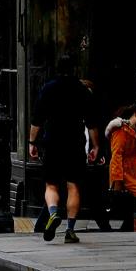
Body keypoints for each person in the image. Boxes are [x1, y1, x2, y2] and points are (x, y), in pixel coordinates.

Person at [32, 53, 93, 243]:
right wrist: (96, 145)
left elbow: (37, 119)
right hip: (74, 140)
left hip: (52, 140)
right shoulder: (81, 90)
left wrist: (32, 142)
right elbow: (92, 122)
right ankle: (70, 230)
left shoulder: (48, 88)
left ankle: (52, 214)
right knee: (73, 185)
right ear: (74, 69)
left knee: (51, 184)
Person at [105, 102, 136, 232]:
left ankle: (126, 226)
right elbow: (117, 155)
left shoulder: (133, 130)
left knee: (132, 203)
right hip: (125, 173)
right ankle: (122, 226)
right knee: (130, 202)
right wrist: (117, 181)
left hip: (132, 172)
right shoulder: (122, 130)